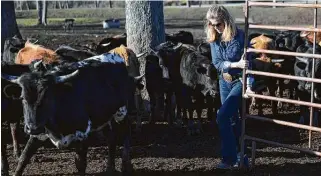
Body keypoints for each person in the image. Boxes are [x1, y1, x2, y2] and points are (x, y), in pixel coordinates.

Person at [205, 5, 250, 169]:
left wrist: (249, 81)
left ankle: (228, 159)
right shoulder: (213, 39)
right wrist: (234, 63)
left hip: (239, 81)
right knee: (231, 119)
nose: (216, 28)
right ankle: (242, 155)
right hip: (224, 81)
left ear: (226, 21)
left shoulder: (240, 37)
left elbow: (248, 62)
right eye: (212, 24)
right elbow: (217, 63)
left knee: (222, 116)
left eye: (218, 24)